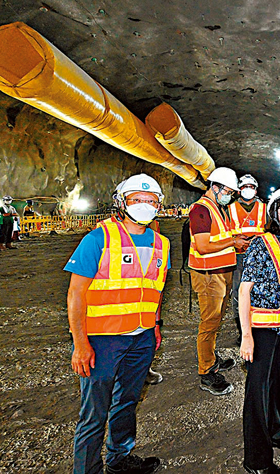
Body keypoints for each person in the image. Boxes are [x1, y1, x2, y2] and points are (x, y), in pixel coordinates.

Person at [64, 174, 170, 474]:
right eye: (138, 199)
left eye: (151, 201)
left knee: (127, 403)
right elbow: (76, 294)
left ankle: (119, 459)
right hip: (102, 340)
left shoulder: (162, 243)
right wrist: (80, 343)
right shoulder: (98, 239)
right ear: (122, 203)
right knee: (94, 414)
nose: (145, 205)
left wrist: (156, 325)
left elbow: (156, 288)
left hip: (142, 338)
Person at [238, 186, 280, 474]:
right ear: (274, 214)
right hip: (262, 330)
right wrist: (246, 337)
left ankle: (276, 431)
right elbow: (244, 291)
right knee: (257, 392)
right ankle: (256, 460)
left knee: (276, 383)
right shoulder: (261, 243)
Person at [189, 167, 249, 395]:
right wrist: (233, 242)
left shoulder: (218, 208)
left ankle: (211, 358)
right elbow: (203, 246)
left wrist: (235, 240)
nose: (230, 195)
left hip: (222, 272)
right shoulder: (201, 210)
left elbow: (220, 237)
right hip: (208, 275)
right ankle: (206, 372)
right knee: (209, 323)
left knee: (216, 321)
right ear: (214, 187)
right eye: (227, 191)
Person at [229, 174, 267, 345]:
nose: (248, 190)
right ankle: (242, 331)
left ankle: (260, 328)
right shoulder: (229, 209)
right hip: (238, 257)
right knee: (239, 293)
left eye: (251, 187)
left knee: (260, 291)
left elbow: (270, 230)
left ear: (256, 190)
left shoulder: (264, 208)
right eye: (245, 187)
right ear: (239, 190)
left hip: (260, 257)